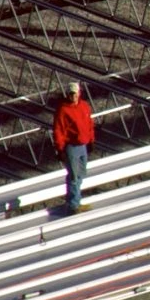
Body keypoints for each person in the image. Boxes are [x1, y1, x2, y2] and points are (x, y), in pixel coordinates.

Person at [52, 81, 94, 215]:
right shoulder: (63, 110)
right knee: (74, 176)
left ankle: (74, 201)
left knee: (81, 174)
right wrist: (59, 148)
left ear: (79, 93)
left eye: (75, 93)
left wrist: (91, 140)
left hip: (82, 144)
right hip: (71, 146)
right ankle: (73, 205)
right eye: (70, 94)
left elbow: (89, 124)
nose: (73, 96)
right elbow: (58, 130)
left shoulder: (84, 107)